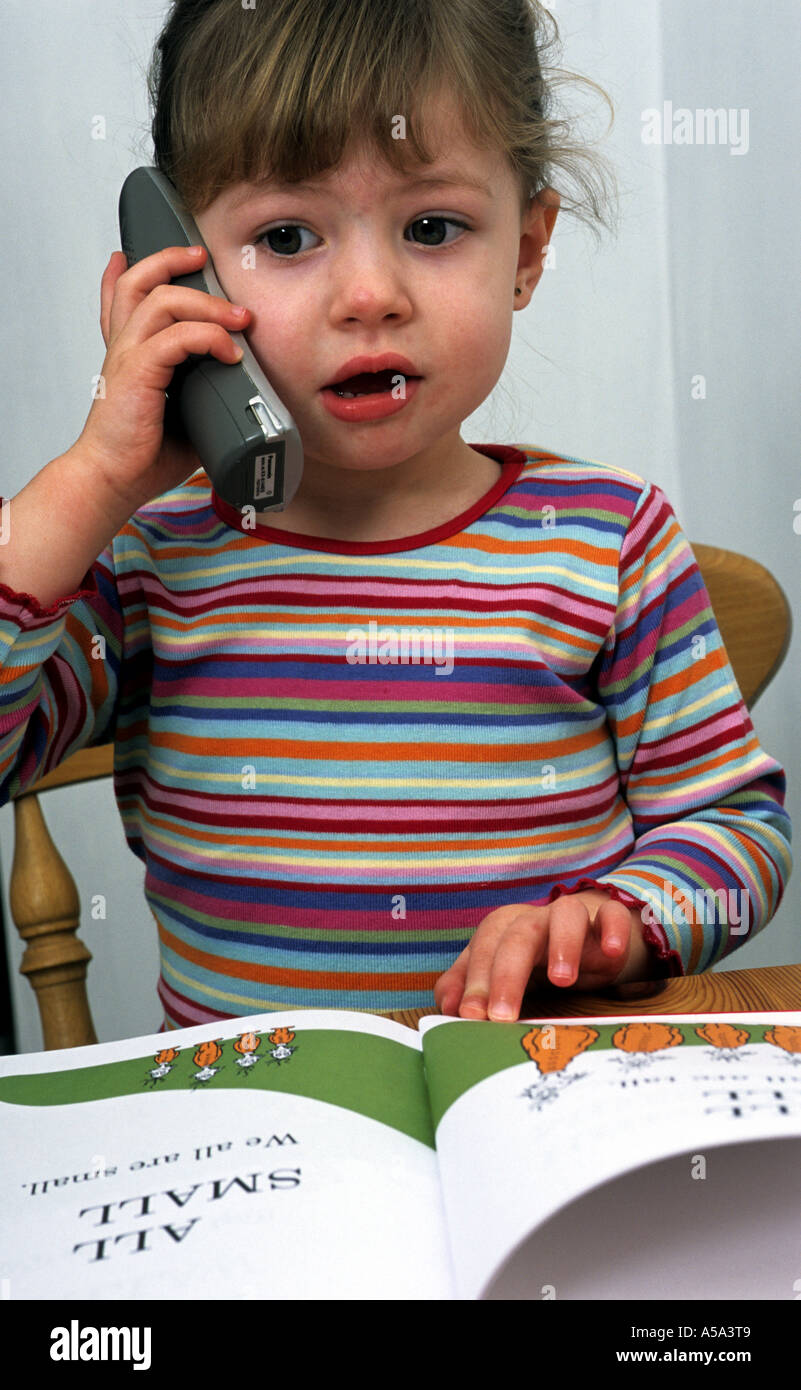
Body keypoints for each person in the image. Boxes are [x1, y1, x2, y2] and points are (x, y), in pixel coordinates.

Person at [0, 0, 791, 1029]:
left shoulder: (611, 541)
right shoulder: (150, 564)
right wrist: (92, 478)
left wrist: (618, 916)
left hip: (525, 1104)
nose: (369, 294)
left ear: (528, 248)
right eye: (286, 236)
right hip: (263, 1145)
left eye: (432, 228)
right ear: (179, 271)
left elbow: (735, 827)